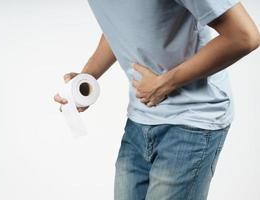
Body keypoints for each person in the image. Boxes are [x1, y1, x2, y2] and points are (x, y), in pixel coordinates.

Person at [54, 0, 259, 199]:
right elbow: (123, 21)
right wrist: (86, 78)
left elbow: (244, 36)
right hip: (140, 119)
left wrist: (165, 83)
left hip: (193, 119)